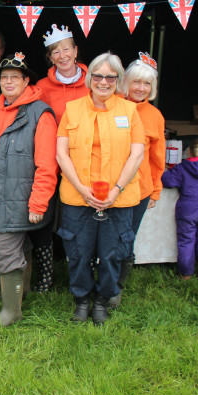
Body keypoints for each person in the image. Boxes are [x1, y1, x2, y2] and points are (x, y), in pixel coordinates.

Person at [0, 52, 58, 326]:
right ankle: (21, 293)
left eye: (14, 77)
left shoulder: (40, 114)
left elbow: (47, 166)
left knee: (3, 250)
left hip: (20, 198)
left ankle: (11, 312)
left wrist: (38, 204)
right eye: (4, 77)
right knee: (22, 246)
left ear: (26, 80)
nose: (8, 81)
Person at [56, 52, 144, 325]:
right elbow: (61, 154)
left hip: (118, 198)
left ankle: (103, 300)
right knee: (79, 254)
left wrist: (117, 189)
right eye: (98, 76)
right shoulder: (72, 109)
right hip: (78, 197)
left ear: (118, 80)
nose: (103, 82)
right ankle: (82, 299)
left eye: (110, 77)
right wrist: (82, 189)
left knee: (111, 254)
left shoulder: (129, 111)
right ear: (89, 78)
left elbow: (137, 154)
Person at [29, 24, 90, 294]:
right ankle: (45, 274)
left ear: (76, 51)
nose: (62, 55)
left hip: (86, 162)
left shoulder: (94, 81)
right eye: (56, 51)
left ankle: (81, 272)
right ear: (50, 57)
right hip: (50, 162)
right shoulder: (41, 87)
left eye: (67, 48)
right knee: (44, 218)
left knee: (81, 218)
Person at [111, 52, 165, 306]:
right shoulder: (111, 105)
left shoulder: (155, 116)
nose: (141, 88)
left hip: (139, 189)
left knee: (126, 237)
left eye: (147, 84)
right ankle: (98, 278)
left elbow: (157, 158)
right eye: (136, 82)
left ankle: (116, 286)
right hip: (107, 185)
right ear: (126, 82)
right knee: (104, 235)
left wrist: (155, 190)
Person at [160, 139, 198, 280]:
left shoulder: (183, 167)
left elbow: (167, 181)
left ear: (189, 152)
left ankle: (186, 274)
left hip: (188, 207)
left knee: (186, 241)